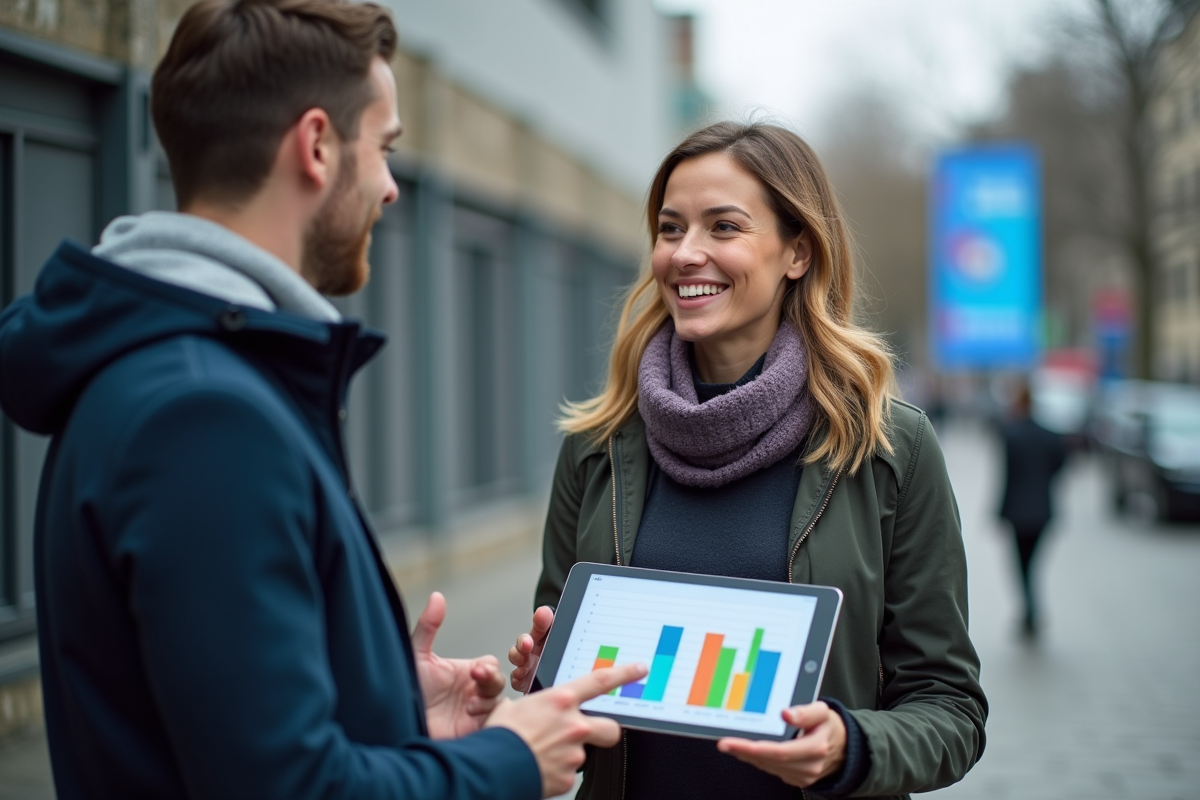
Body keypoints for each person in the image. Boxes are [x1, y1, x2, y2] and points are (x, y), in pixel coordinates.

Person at [0, 1, 645, 798]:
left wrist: (386, 708)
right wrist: (507, 759)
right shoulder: (203, 416)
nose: (391, 188)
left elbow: (214, 725)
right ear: (315, 145)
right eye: (385, 148)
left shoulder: (161, 370)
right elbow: (286, 787)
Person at [508, 122, 987, 799]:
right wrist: (546, 690)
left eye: (724, 227)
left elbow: (951, 709)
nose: (685, 254)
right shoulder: (597, 445)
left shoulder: (888, 447)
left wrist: (850, 747)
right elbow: (576, 724)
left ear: (798, 252)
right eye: (670, 229)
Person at [998, 379, 1067, 639]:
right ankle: (1031, 612)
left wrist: (1000, 511)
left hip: (1017, 512)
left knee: (1021, 565)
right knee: (1033, 564)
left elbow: (1006, 477)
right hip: (1043, 511)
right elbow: (1060, 466)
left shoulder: (1011, 434)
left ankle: (1030, 613)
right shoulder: (1051, 435)